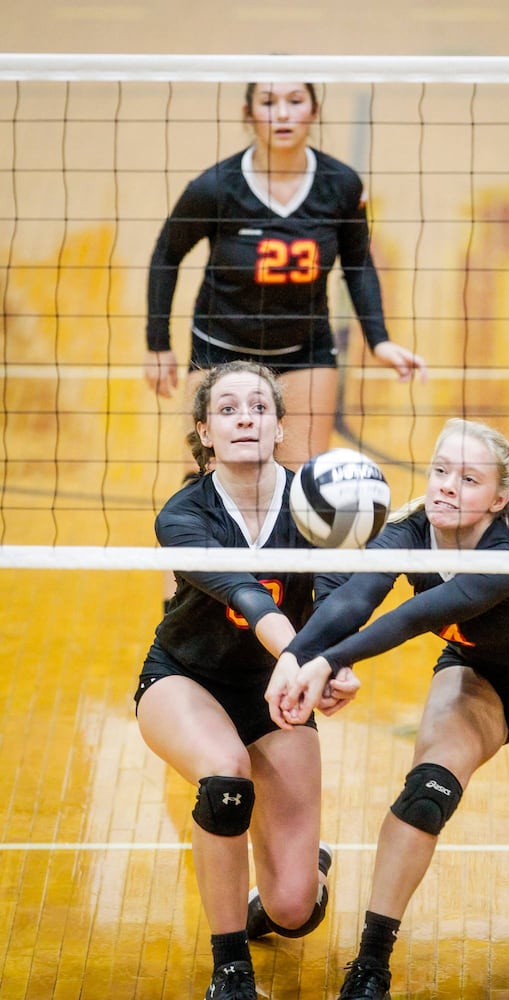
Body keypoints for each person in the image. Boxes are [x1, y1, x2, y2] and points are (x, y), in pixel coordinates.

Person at [266, 417, 509, 1000]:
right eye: (440, 471)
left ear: (499, 498)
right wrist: (299, 655)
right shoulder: (409, 530)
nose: (448, 486)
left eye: (469, 478)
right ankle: (371, 963)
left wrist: (325, 665)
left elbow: (414, 618)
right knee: (427, 792)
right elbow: (354, 597)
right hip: (478, 677)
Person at [134, 361, 358, 1000]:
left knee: (295, 910)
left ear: (281, 426)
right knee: (226, 776)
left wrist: (335, 661)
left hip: (276, 695)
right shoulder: (182, 515)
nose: (244, 418)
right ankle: (230, 969)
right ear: (204, 431)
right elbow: (248, 596)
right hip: (185, 680)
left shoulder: (317, 505)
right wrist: (304, 659)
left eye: (259, 407)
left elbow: (338, 598)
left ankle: (297, 879)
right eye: (227, 409)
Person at [144, 80, 427, 469]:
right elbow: (166, 253)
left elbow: (357, 262)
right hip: (220, 347)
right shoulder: (215, 187)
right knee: (207, 486)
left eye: (295, 101)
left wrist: (379, 340)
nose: (282, 113)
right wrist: (157, 345)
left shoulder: (340, 185)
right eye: (268, 102)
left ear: (313, 110)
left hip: (303, 351)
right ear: (248, 113)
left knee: (301, 489)